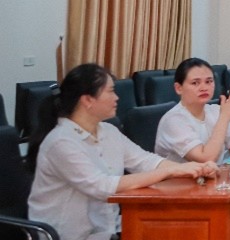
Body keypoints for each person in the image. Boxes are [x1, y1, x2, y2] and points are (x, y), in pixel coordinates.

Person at [27, 64, 216, 240]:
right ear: (88, 100)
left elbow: (145, 161)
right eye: (110, 91)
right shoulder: (61, 142)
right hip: (68, 235)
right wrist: (171, 171)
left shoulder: (109, 131)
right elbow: (102, 187)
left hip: (110, 230)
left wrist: (193, 169)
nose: (117, 98)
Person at [155, 57, 230, 163]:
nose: (204, 88)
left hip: (214, 173)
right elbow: (206, 159)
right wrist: (224, 117)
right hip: (182, 174)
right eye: (195, 83)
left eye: (209, 81)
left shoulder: (216, 111)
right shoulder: (174, 120)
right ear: (178, 88)